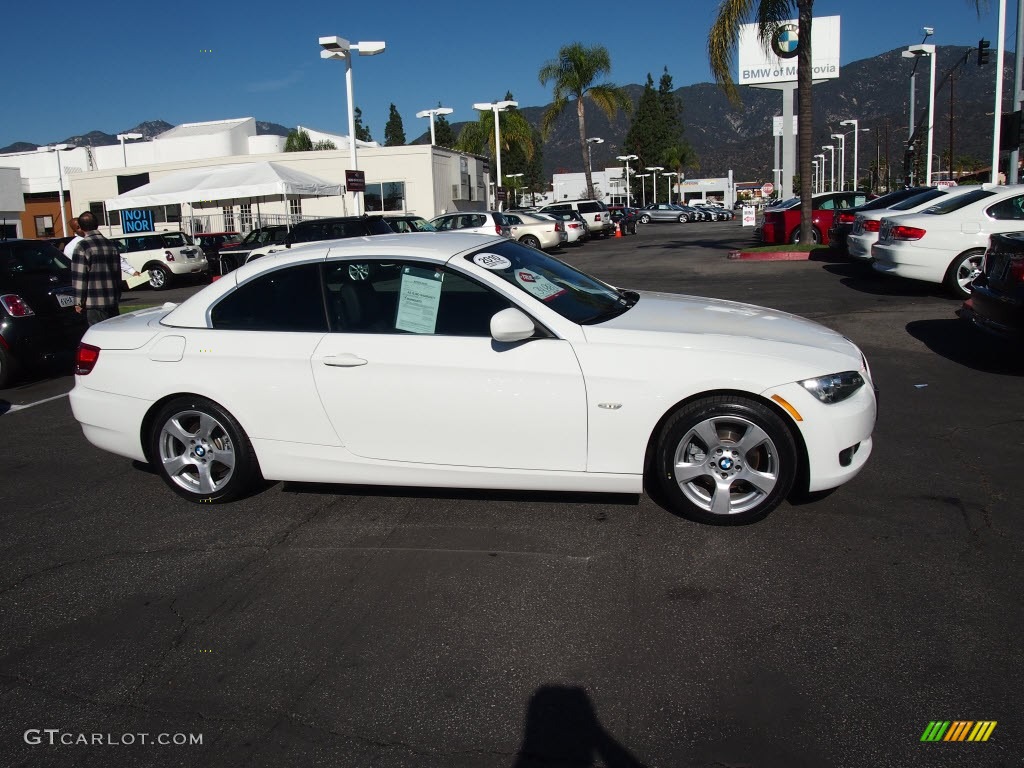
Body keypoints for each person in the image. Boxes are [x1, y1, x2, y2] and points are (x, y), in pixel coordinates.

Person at [71, 210, 124, 325]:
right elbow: (117, 274)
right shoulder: (111, 245)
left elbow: (79, 277)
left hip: (94, 301)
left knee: (98, 336)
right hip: (112, 299)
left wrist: (78, 302)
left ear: (80, 227)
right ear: (97, 224)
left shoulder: (82, 246)